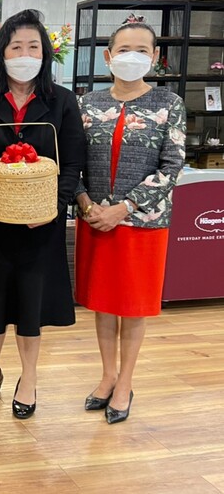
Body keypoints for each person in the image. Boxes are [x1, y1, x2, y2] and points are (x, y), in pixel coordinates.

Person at [0, 9, 86, 419]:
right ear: (2, 53)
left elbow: (73, 162)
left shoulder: (62, 101)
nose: (25, 54)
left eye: (33, 47)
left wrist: (54, 209)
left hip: (40, 222)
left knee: (32, 300)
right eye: (16, 47)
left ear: (44, 53)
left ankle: (28, 377)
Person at [75, 21, 186, 424]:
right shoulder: (87, 104)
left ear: (155, 56)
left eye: (142, 49)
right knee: (104, 305)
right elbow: (72, 163)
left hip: (143, 223)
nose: (132, 56)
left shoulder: (169, 104)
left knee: (134, 306)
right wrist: (86, 203)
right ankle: (107, 376)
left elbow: (172, 165)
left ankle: (125, 383)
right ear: (108, 57)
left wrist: (124, 208)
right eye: (124, 50)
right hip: (95, 219)